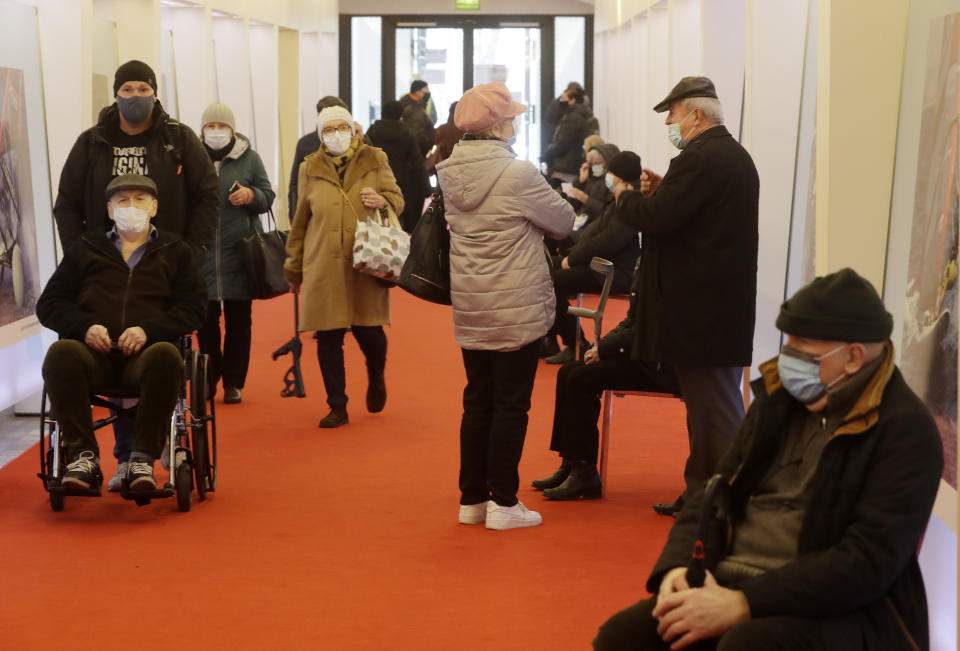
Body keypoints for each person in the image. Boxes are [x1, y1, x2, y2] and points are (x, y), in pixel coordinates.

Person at [593, 268, 943, 651]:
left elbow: (865, 563)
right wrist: (678, 567)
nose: (788, 354)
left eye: (802, 344)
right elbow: (713, 494)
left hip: (842, 610)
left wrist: (745, 603)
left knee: (746, 645)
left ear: (854, 358)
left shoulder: (905, 430)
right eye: (787, 339)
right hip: (731, 580)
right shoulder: (779, 402)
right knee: (623, 637)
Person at [53, 59, 218, 492]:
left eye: (142, 87)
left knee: (160, 352)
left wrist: (191, 252)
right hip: (99, 269)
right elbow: (67, 201)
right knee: (66, 355)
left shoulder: (178, 141)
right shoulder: (92, 143)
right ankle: (90, 458)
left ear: (155, 92)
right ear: (115, 94)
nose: (134, 96)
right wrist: (81, 256)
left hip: (165, 264)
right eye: (126, 88)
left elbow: (206, 198)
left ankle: (137, 459)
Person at [616, 76, 759, 515]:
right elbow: (688, 215)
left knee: (715, 413)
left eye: (672, 114)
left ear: (696, 114)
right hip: (715, 309)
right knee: (707, 411)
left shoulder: (700, 160)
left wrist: (623, 199)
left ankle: (728, 500)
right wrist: (663, 192)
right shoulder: (727, 156)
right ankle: (702, 495)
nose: (668, 124)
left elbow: (658, 219)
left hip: (703, 313)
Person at [436, 81, 575, 530]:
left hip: (473, 302)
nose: (516, 122)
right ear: (499, 124)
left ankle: (472, 499)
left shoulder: (449, 171)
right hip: (515, 303)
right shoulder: (518, 173)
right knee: (511, 404)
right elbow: (563, 221)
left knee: (477, 400)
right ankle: (504, 501)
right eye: (511, 116)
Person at [37, 174, 207, 492]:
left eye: (140, 199)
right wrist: (84, 327)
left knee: (167, 355)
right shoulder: (86, 249)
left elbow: (194, 308)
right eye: (123, 201)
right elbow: (49, 304)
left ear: (154, 207)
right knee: (61, 354)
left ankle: (142, 457)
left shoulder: (176, 251)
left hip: (147, 355)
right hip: (94, 355)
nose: (132, 207)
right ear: (110, 210)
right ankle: (82, 456)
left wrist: (149, 330)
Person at [284, 106, 404, 428]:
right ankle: (337, 404)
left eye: (342, 128)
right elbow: (300, 220)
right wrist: (294, 268)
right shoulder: (309, 167)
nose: (336, 134)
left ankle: (375, 374)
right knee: (328, 336)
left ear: (352, 129)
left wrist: (383, 201)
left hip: (366, 259)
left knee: (369, 331)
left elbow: (397, 197)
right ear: (320, 135)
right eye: (328, 130)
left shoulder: (375, 159)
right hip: (323, 260)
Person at [533, 259, 680, 500]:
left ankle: (585, 472)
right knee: (568, 371)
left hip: (661, 367)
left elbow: (651, 325)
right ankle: (571, 462)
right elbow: (632, 320)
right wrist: (601, 346)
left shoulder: (668, 268)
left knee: (580, 378)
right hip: (643, 356)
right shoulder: (648, 262)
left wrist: (606, 348)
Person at [195, 102, 276, 404]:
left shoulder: (249, 159)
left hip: (240, 253)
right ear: (202, 130)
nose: (216, 132)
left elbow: (267, 195)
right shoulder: (191, 157)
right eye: (210, 127)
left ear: (232, 129)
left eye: (222, 126)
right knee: (205, 324)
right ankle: (209, 375)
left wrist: (251, 195)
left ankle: (234, 381)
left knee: (239, 323)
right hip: (202, 255)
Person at [545, 151, 643, 365]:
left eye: (611, 172)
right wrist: (571, 256)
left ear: (621, 177)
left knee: (553, 282)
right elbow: (594, 233)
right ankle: (549, 338)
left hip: (613, 273)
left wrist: (570, 261)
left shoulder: (630, 203)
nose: (607, 175)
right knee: (543, 267)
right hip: (600, 266)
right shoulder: (618, 199)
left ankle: (575, 344)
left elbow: (607, 242)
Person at [288, 96, 362, 221]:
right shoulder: (306, 144)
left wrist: (362, 140)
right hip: (316, 215)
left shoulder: (354, 142)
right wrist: (295, 217)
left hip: (352, 213)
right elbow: (295, 184)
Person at [366, 100, 431, 232]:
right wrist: (426, 188)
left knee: (381, 224)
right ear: (400, 114)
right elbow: (417, 162)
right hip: (406, 184)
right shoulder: (407, 132)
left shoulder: (372, 131)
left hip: (380, 183)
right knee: (406, 226)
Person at [541, 85, 595, 187]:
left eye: (563, 98)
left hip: (566, 167)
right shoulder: (573, 116)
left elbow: (562, 143)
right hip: (568, 166)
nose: (560, 101)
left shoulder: (573, 118)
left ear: (572, 101)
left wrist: (545, 156)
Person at [564, 142, 619, 234]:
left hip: (595, 227)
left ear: (607, 162)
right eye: (592, 164)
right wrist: (580, 182)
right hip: (580, 222)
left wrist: (586, 200)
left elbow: (607, 213)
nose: (595, 166)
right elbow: (571, 206)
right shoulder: (589, 179)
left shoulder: (611, 183)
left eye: (598, 163)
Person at [399, 80, 435, 156]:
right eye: (426, 90)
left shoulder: (418, 104)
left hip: (414, 147)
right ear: (417, 91)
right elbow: (416, 131)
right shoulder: (412, 107)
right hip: (416, 148)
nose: (428, 93)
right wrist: (427, 142)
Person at [432, 100, 466, 166]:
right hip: (463, 168)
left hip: (443, 169)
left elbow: (433, 150)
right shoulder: (467, 131)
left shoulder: (440, 130)